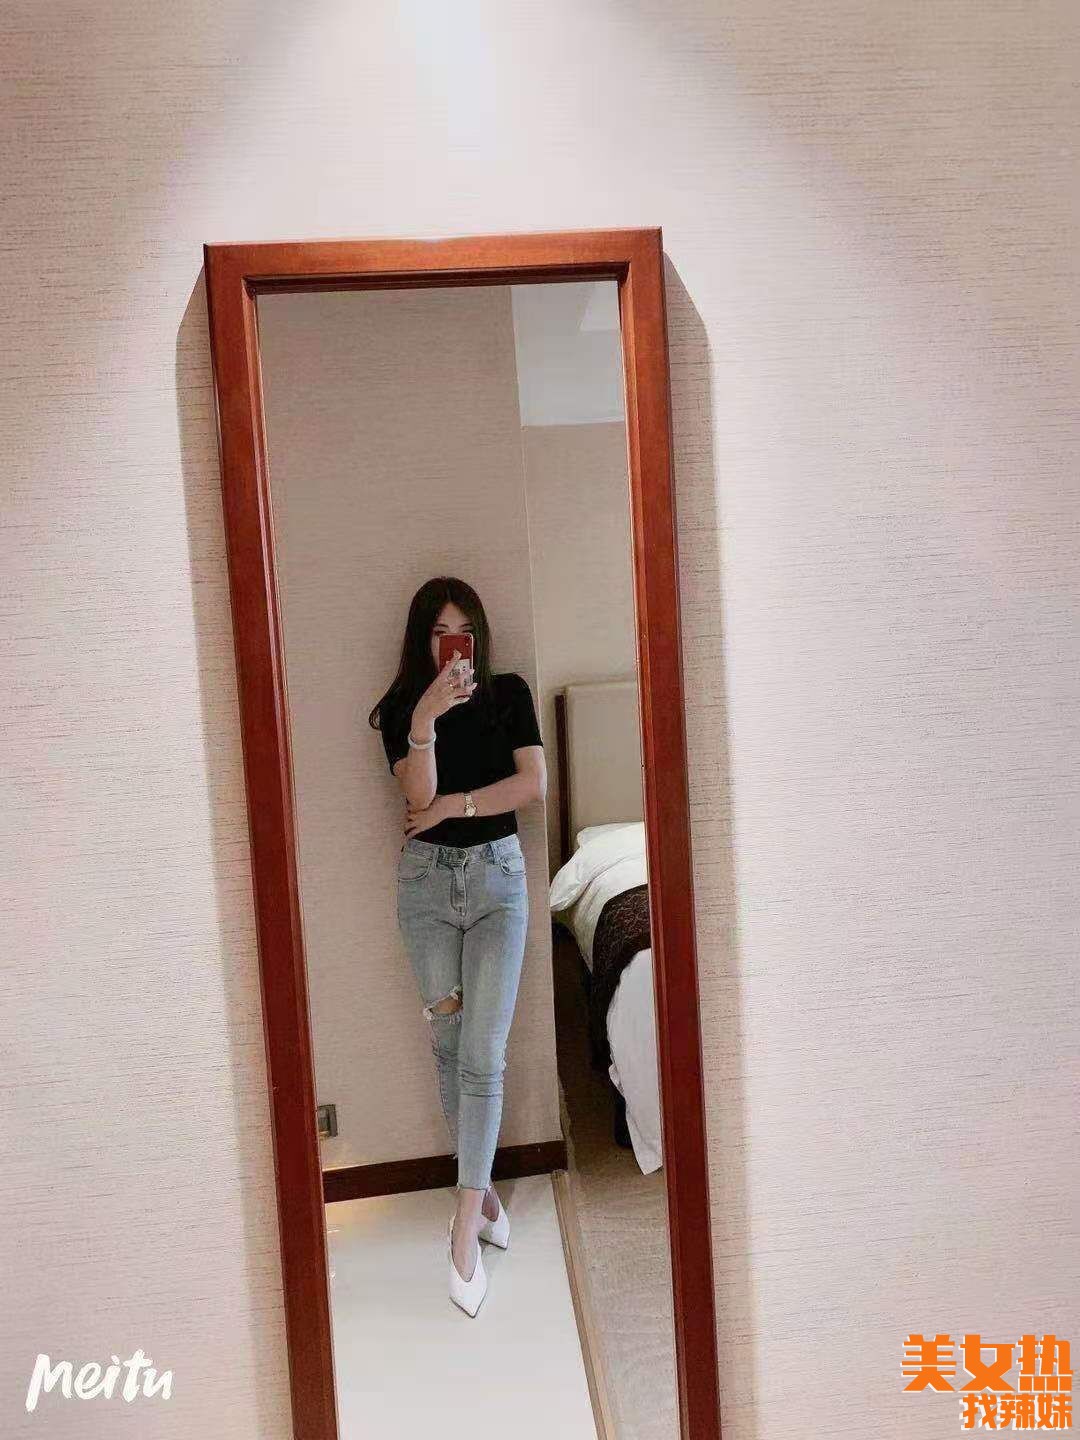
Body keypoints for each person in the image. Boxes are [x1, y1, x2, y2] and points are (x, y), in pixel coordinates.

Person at [368, 576, 546, 1315]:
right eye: (439, 633)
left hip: (499, 882)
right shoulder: (401, 709)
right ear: (423, 641)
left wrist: (455, 807)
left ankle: (465, 1228)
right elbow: (415, 797)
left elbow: (531, 785)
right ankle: (486, 1198)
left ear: (478, 635)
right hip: (426, 892)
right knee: (448, 1047)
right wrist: (426, 718)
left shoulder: (509, 693)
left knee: (483, 1054)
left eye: (462, 630)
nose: (453, 645)